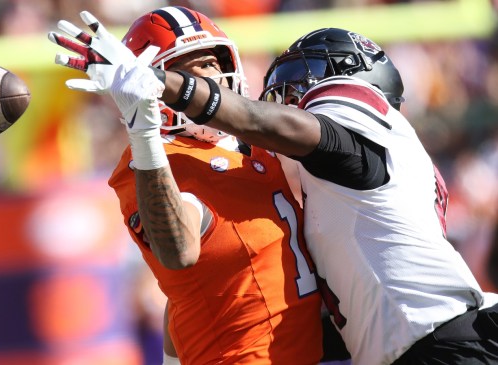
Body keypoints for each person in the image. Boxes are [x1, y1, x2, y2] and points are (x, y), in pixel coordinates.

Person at [50, 17, 498, 364]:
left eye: (212, 64)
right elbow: (194, 283)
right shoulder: (272, 168)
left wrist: (166, 87)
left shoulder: (352, 124)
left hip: (439, 345)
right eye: (193, 67)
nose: (212, 77)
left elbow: (285, 125)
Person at [48, 6, 324, 365]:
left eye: (211, 62)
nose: (208, 78)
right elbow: (179, 253)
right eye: (183, 68)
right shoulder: (153, 161)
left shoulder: (259, 144)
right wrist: (143, 131)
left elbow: (193, 291)